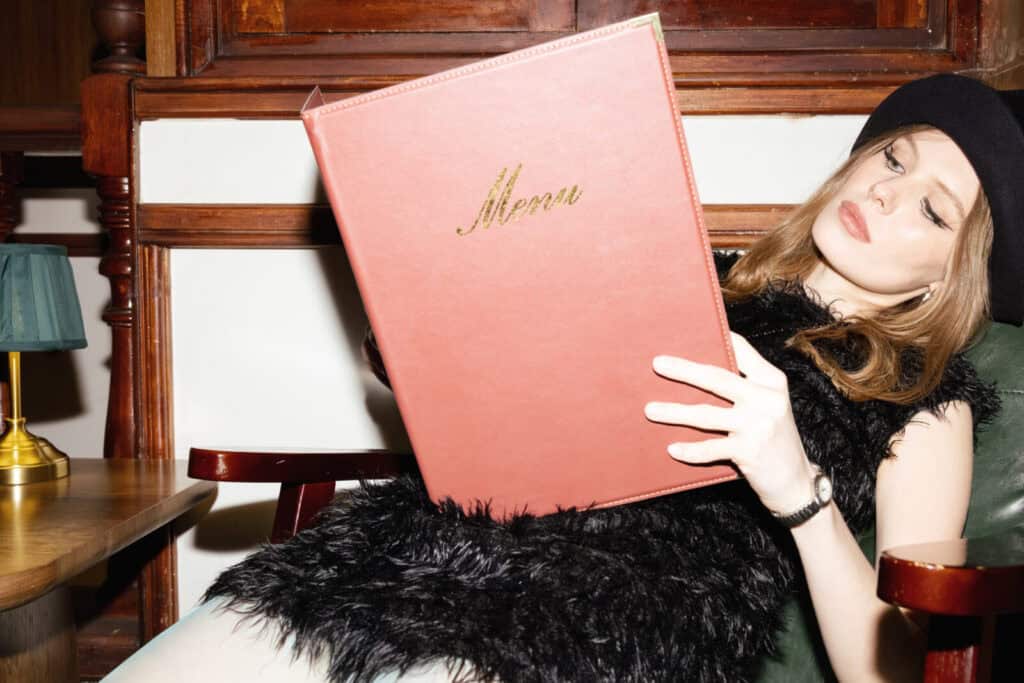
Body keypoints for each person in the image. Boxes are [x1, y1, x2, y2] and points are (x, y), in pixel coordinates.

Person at [104, 73, 1022, 683]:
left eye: (932, 209)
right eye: (893, 158)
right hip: (418, 549)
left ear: (949, 273)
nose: (888, 193)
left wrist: (798, 490)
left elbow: (893, 666)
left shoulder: (926, 401)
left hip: (597, 628)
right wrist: (434, 361)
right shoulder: (690, 278)